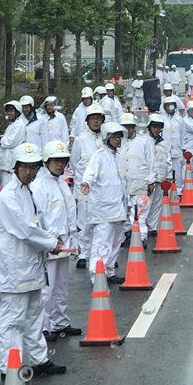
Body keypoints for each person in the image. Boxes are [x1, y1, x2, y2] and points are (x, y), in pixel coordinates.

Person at [0, 142, 66, 379]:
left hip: (30, 267)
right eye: (25, 167)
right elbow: (25, 230)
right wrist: (51, 243)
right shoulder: (8, 196)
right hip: (13, 270)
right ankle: (10, 367)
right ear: (16, 167)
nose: (29, 172)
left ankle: (39, 360)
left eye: (33, 167)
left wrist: (51, 240)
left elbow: (37, 224)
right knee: (12, 320)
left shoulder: (27, 191)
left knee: (34, 316)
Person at [31, 141, 82, 342]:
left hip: (65, 243)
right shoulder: (39, 186)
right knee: (47, 289)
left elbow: (70, 215)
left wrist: (74, 240)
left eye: (63, 161)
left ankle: (60, 322)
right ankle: (44, 327)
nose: (60, 165)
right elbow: (39, 218)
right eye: (56, 161)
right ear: (46, 161)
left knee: (61, 285)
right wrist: (50, 240)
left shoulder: (62, 183)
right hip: (50, 245)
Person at [81, 121, 128, 285]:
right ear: (107, 138)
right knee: (102, 243)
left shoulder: (120, 158)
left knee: (115, 242)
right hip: (103, 210)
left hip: (118, 207)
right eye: (114, 137)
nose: (118, 140)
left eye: (119, 137)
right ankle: (97, 275)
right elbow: (89, 174)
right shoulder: (98, 156)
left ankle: (109, 271)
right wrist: (86, 183)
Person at [68, 103, 105, 269]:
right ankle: (84, 252)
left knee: (102, 223)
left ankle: (100, 254)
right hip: (84, 187)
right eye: (93, 119)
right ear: (87, 121)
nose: (96, 121)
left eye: (98, 118)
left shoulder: (106, 139)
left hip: (103, 188)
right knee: (84, 220)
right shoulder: (81, 140)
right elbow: (75, 164)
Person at [120, 113, 155, 247]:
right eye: (125, 127)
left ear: (134, 127)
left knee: (140, 212)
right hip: (123, 184)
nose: (127, 130)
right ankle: (128, 235)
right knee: (124, 212)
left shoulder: (144, 142)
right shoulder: (118, 143)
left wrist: (151, 181)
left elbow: (151, 162)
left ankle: (141, 238)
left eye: (130, 127)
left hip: (140, 183)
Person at [146, 114, 170, 235]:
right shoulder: (145, 141)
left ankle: (152, 227)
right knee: (147, 204)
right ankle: (142, 228)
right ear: (149, 127)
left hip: (161, 177)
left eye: (159, 127)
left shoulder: (164, 143)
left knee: (157, 204)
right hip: (149, 179)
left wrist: (168, 176)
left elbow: (167, 160)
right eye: (154, 126)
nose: (156, 129)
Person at [0, 100, 27, 189]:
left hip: (11, 166)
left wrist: (1, 140)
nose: (9, 113)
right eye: (8, 111)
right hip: (7, 166)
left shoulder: (19, 125)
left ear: (17, 112)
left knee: (10, 190)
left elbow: (10, 142)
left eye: (11, 111)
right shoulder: (13, 124)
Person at [162, 96, 185, 196]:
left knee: (178, 172)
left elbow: (184, 135)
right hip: (165, 150)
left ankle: (178, 191)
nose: (169, 107)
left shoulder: (180, 120)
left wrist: (184, 148)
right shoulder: (162, 119)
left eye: (171, 105)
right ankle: (167, 192)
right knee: (166, 172)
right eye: (167, 105)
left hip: (177, 149)